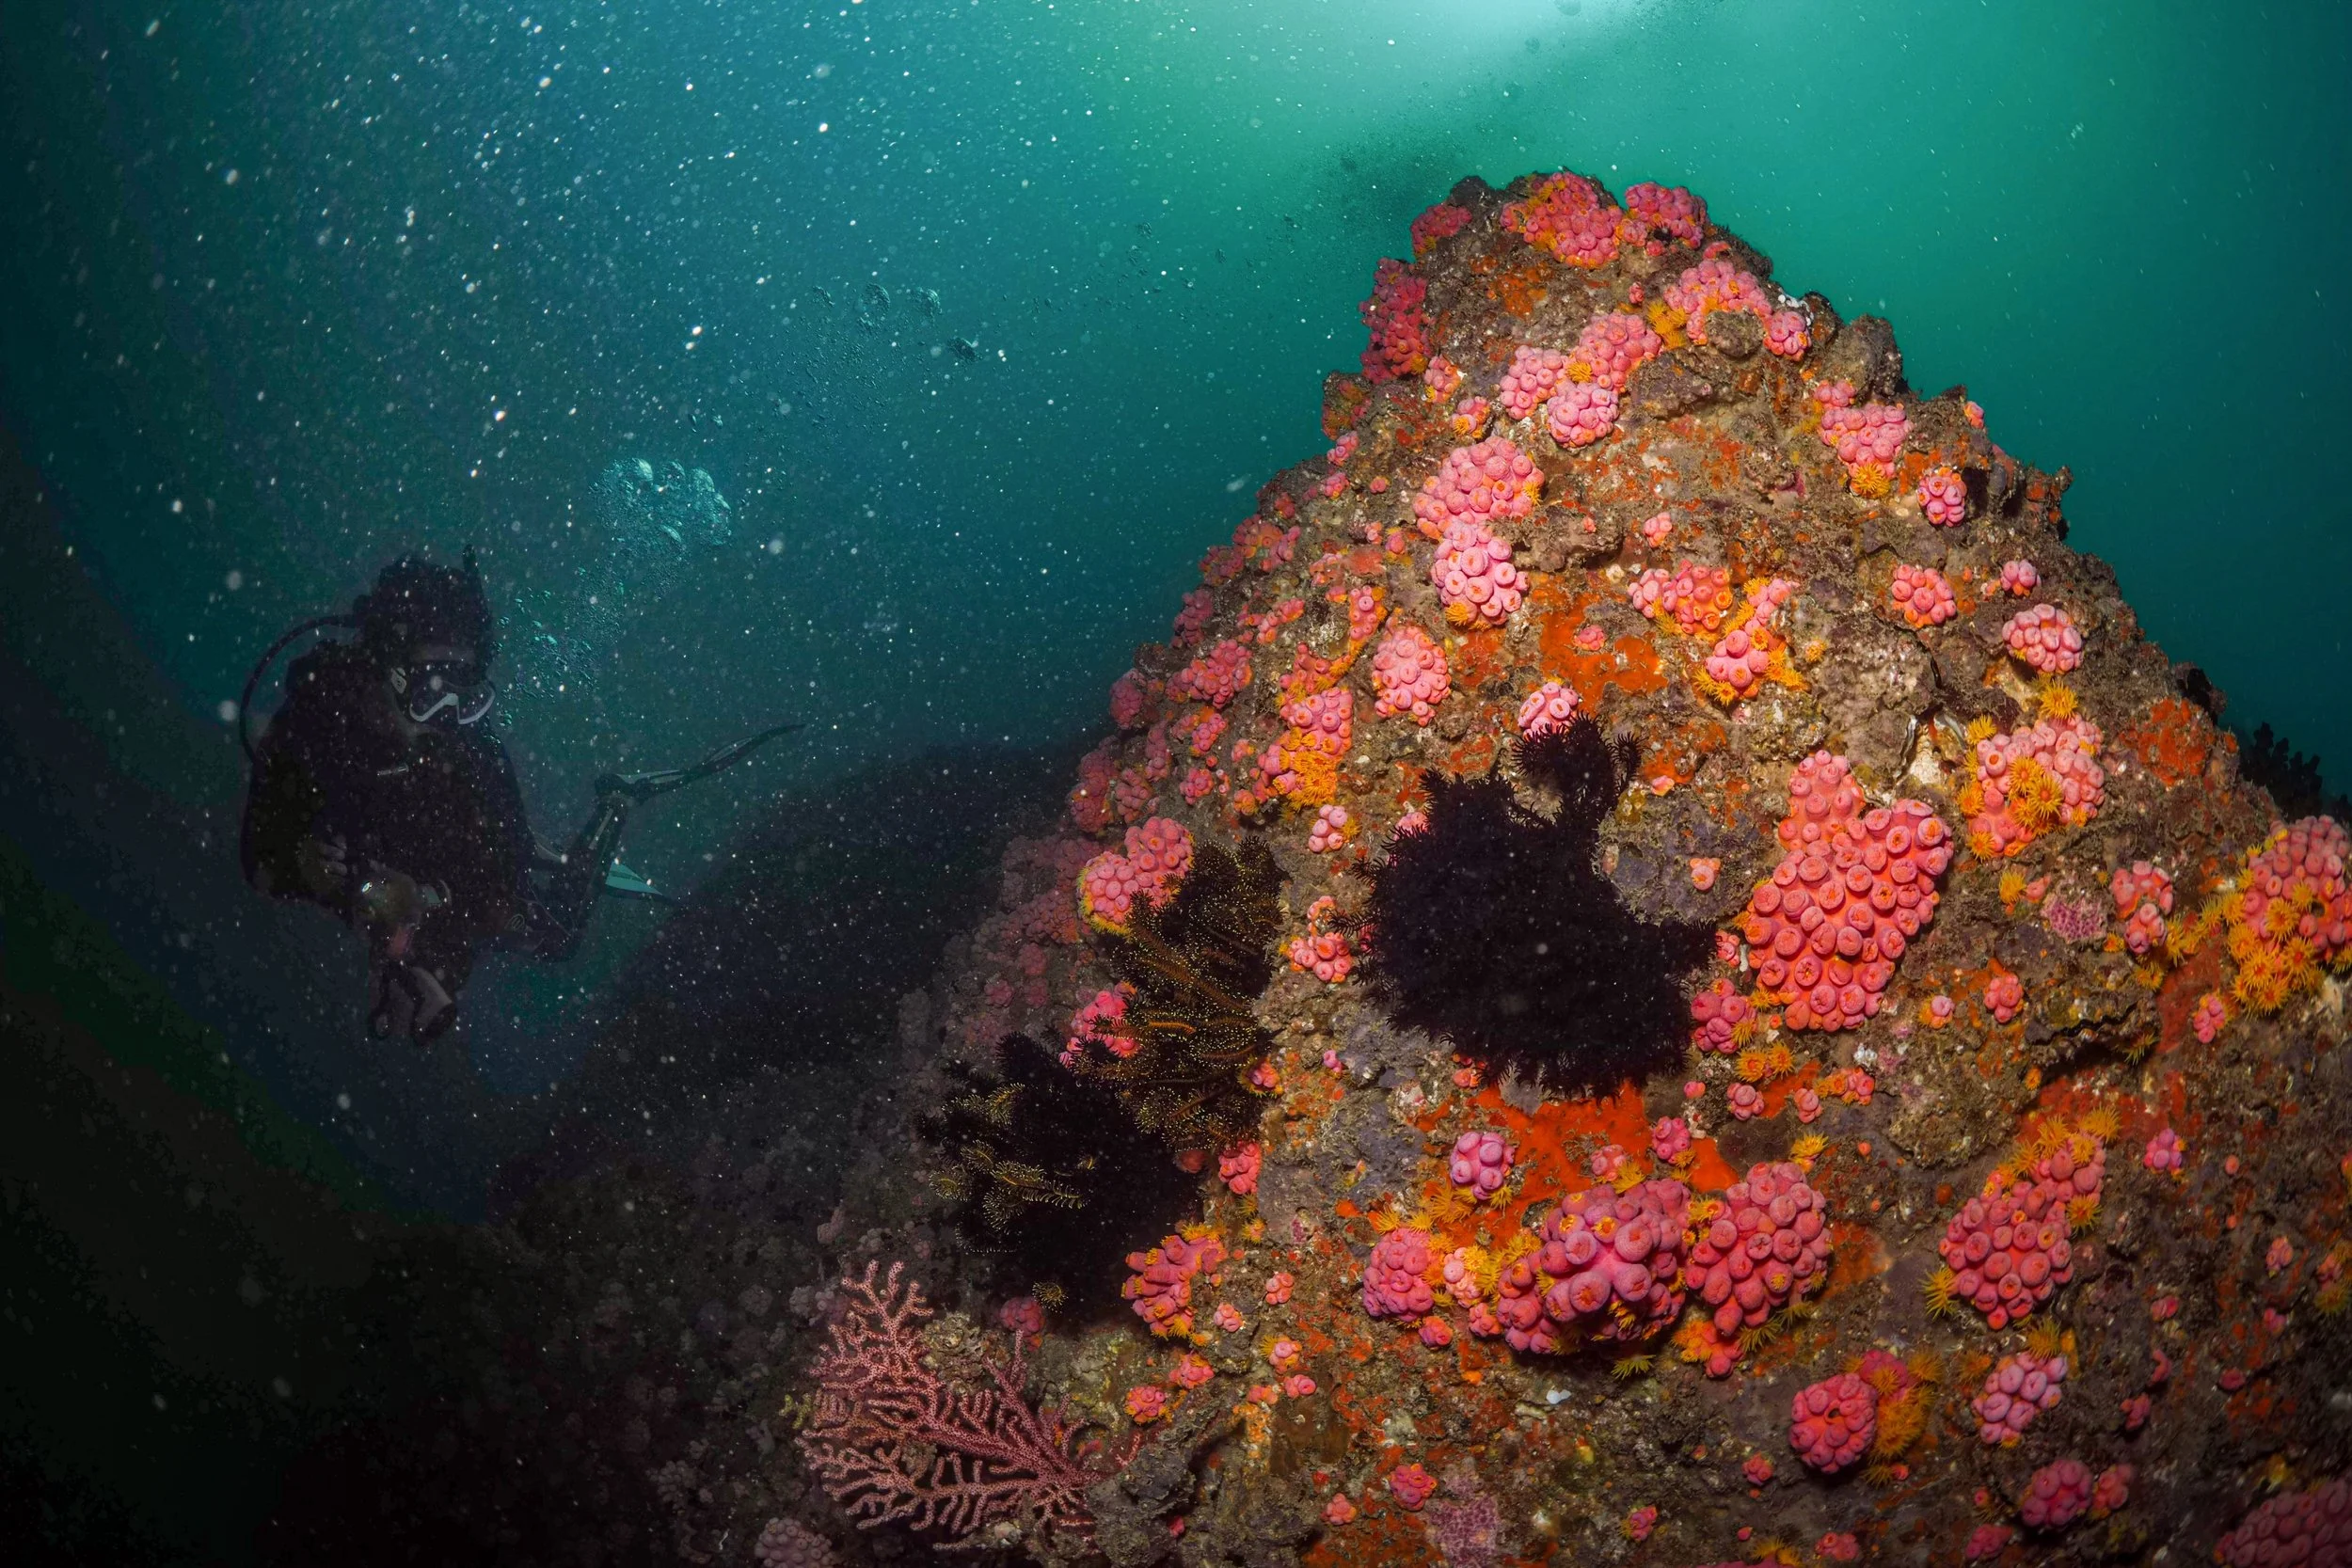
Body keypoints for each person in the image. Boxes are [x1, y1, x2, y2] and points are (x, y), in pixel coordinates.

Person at [240, 551, 620, 1041]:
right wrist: (306, 867)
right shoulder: (320, 721)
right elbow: (261, 862)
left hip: (450, 859)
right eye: (433, 686)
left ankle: (616, 805)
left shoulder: (471, 750)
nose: (448, 714)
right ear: (386, 663)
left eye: (464, 693)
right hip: (395, 861)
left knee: (554, 936)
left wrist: (426, 898)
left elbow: (494, 873)